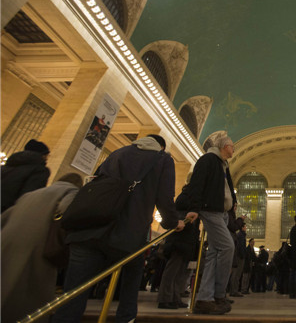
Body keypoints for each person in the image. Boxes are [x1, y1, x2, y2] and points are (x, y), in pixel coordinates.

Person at [53, 135, 187, 323]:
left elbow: (96, 183)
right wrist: (173, 223)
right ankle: (125, 318)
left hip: (89, 229)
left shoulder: (117, 153)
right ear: (161, 147)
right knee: (129, 285)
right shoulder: (162, 159)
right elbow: (165, 198)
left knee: (73, 295)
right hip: (129, 235)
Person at [1, 173, 83, 323]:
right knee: (31, 292)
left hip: (8, 242)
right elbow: (67, 211)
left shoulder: (31, 194)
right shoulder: (71, 192)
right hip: (38, 243)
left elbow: (5, 217)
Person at [189, 135, 237, 315]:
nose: (234, 150)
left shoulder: (223, 164)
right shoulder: (208, 160)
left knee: (213, 255)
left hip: (222, 213)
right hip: (211, 211)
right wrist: (194, 208)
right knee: (227, 247)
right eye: (233, 147)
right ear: (225, 146)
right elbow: (196, 184)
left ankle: (204, 298)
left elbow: (227, 188)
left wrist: (233, 202)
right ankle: (218, 294)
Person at [157, 181, 201, 309]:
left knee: (180, 271)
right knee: (172, 270)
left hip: (187, 238)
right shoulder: (187, 196)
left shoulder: (191, 196)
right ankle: (164, 298)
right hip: (179, 238)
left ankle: (175, 297)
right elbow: (178, 213)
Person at [1, 139, 51, 212]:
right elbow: (28, 197)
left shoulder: (5, 167)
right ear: (42, 155)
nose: (47, 158)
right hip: (8, 212)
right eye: (46, 155)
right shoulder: (40, 170)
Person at [229, 222, 247, 297]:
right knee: (236, 274)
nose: (246, 228)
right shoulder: (240, 235)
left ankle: (234, 290)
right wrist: (242, 255)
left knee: (236, 274)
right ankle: (234, 291)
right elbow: (240, 247)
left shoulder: (241, 235)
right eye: (245, 227)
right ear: (242, 227)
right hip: (239, 257)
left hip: (238, 256)